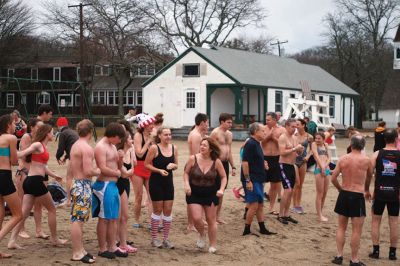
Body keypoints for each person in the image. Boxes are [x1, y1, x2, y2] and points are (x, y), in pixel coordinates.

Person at [8, 124, 67, 249]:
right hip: (34, 182)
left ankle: (12, 241)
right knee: (52, 209)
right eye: (52, 132)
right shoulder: (38, 145)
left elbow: (43, 167)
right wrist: (7, 150)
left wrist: (54, 175)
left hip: (31, 181)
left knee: (23, 213)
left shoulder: (43, 146)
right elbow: (21, 154)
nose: (53, 134)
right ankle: (55, 239)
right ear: (47, 133)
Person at [331, 135, 372, 266]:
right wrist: (366, 190)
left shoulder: (343, 158)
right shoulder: (366, 160)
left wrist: (339, 189)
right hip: (357, 195)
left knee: (341, 227)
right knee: (356, 230)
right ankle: (354, 259)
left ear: (351, 144)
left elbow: (333, 178)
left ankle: (339, 256)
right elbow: (369, 177)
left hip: (344, 193)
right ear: (363, 146)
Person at [183, 137, 226, 254]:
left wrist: (221, 189)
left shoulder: (216, 161)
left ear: (211, 149)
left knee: (211, 220)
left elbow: (223, 177)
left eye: (204, 145)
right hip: (194, 193)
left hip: (210, 194)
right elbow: (186, 173)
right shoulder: (193, 159)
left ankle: (212, 245)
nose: (201, 147)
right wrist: (186, 185)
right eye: (201, 145)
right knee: (196, 218)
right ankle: (202, 234)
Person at [92, 122, 127, 259]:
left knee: (113, 218)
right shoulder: (100, 147)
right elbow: (102, 167)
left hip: (112, 185)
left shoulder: (112, 146)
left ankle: (112, 246)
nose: (120, 141)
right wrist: (117, 173)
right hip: (104, 184)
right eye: (119, 138)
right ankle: (102, 248)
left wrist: (121, 159)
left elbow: (118, 165)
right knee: (104, 218)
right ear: (114, 136)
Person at [366, 129, 400, 261]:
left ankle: (376, 251)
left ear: (384, 139)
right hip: (395, 193)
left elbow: (369, 173)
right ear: (396, 138)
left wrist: (366, 189)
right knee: (394, 222)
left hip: (379, 192)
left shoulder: (376, 154)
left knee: (375, 221)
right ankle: (392, 253)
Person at [69, 119, 100, 263]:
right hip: (82, 185)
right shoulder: (86, 148)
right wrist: (98, 170)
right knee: (78, 220)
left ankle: (81, 250)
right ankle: (77, 252)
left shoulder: (75, 145)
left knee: (79, 219)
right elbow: (88, 171)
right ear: (90, 131)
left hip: (78, 183)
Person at [145, 127, 178, 249]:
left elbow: (176, 164)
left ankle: (166, 239)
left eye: (169, 134)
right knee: (157, 210)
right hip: (156, 182)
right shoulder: (154, 148)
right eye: (165, 134)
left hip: (168, 183)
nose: (168, 137)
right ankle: (154, 238)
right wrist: (159, 170)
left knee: (168, 210)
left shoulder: (174, 148)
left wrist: (173, 166)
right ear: (159, 136)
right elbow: (146, 164)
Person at [242, 123, 276, 236]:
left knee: (260, 205)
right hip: (253, 179)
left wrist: (263, 163)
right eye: (262, 131)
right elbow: (245, 163)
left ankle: (262, 228)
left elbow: (255, 159)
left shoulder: (257, 143)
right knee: (254, 205)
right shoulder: (250, 144)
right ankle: (247, 230)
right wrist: (248, 181)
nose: (265, 133)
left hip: (259, 178)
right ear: (256, 132)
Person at [14, 118, 44, 239]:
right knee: (23, 203)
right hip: (24, 173)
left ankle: (39, 230)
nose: (42, 129)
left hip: (34, 174)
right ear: (32, 127)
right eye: (39, 127)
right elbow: (26, 157)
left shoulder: (40, 140)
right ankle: (21, 229)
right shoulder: (27, 137)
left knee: (38, 203)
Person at [0, 114, 22, 259]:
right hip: (4, 176)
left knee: (1, 213)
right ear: (8, 125)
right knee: (18, 214)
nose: (16, 126)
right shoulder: (11, 138)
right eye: (14, 124)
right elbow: (14, 161)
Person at [210, 113, 236, 224]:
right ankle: (211, 216)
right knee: (214, 190)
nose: (231, 124)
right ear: (222, 122)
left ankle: (217, 216)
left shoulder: (230, 134)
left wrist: (233, 166)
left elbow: (229, 151)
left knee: (222, 190)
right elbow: (210, 149)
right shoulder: (215, 133)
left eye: (231, 122)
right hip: (216, 164)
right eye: (228, 122)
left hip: (225, 163)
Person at [277, 118, 304, 225]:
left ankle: (286, 214)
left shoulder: (294, 138)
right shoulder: (283, 137)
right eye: (292, 127)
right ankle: (280, 214)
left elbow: (297, 153)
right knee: (287, 190)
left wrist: (300, 150)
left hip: (292, 165)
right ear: (287, 126)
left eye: (296, 126)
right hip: (283, 165)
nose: (295, 129)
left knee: (291, 191)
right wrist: (294, 149)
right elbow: (282, 152)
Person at [132, 114, 156, 228]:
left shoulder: (152, 135)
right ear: (144, 125)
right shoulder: (138, 135)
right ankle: (136, 220)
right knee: (139, 196)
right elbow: (139, 153)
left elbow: (155, 152)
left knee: (151, 195)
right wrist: (148, 142)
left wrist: (153, 142)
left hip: (149, 166)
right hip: (138, 166)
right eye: (150, 124)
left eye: (153, 124)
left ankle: (152, 222)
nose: (152, 126)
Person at [186, 113, 209, 231]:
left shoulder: (198, 134)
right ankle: (191, 224)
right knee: (192, 197)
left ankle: (195, 221)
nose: (208, 125)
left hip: (196, 167)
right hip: (195, 168)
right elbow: (196, 155)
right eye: (207, 122)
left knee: (197, 194)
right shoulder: (195, 135)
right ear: (202, 123)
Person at [116, 132, 137, 254]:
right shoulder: (120, 154)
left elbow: (130, 171)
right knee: (118, 217)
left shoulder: (128, 152)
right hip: (118, 184)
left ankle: (123, 243)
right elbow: (124, 173)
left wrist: (131, 171)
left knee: (125, 217)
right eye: (130, 139)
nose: (132, 140)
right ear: (125, 141)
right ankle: (116, 242)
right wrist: (131, 171)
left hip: (125, 184)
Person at [262, 112, 286, 216]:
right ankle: (258, 205)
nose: (266, 121)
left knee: (275, 183)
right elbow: (261, 143)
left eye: (268, 120)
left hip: (276, 157)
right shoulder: (263, 128)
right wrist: (268, 136)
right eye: (266, 120)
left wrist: (274, 138)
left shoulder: (282, 130)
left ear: (275, 120)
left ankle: (271, 207)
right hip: (264, 157)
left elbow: (282, 145)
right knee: (260, 182)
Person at [55, 117, 79, 206]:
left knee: (69, 178)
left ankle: (68, 200)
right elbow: (71, 146)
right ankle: (77, 197)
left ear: (59, 126)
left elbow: (61, 148)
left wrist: (58, 157)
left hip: (74, 157)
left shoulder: (63, 133)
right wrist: (65, 157)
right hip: (80, 155)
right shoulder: (73, 132)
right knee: (78, 178)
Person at [292, 119, 313, 214]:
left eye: (298, 124)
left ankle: (298, 205)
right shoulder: (294, 135)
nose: (296, 126)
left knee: (300, 185)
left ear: (303, 125)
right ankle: (294, 204)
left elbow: (312, 149)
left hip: (303, 161)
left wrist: (308, 156)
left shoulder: (309, 136)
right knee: (296, 183)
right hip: (294, 161)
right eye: (295, 124)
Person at [311, 132, 331, 222]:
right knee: (320, 193)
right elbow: (316, 156)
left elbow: (330, 158)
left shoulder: (326, 145)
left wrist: (325, 166)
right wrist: (322, 167)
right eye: (316, 138)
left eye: (319, 138)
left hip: (326, 169)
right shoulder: (314, 144)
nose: (317, 140)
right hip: (319, 169)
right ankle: (319, 215)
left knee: (325, 193)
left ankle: (321, 212)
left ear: (323, 139)